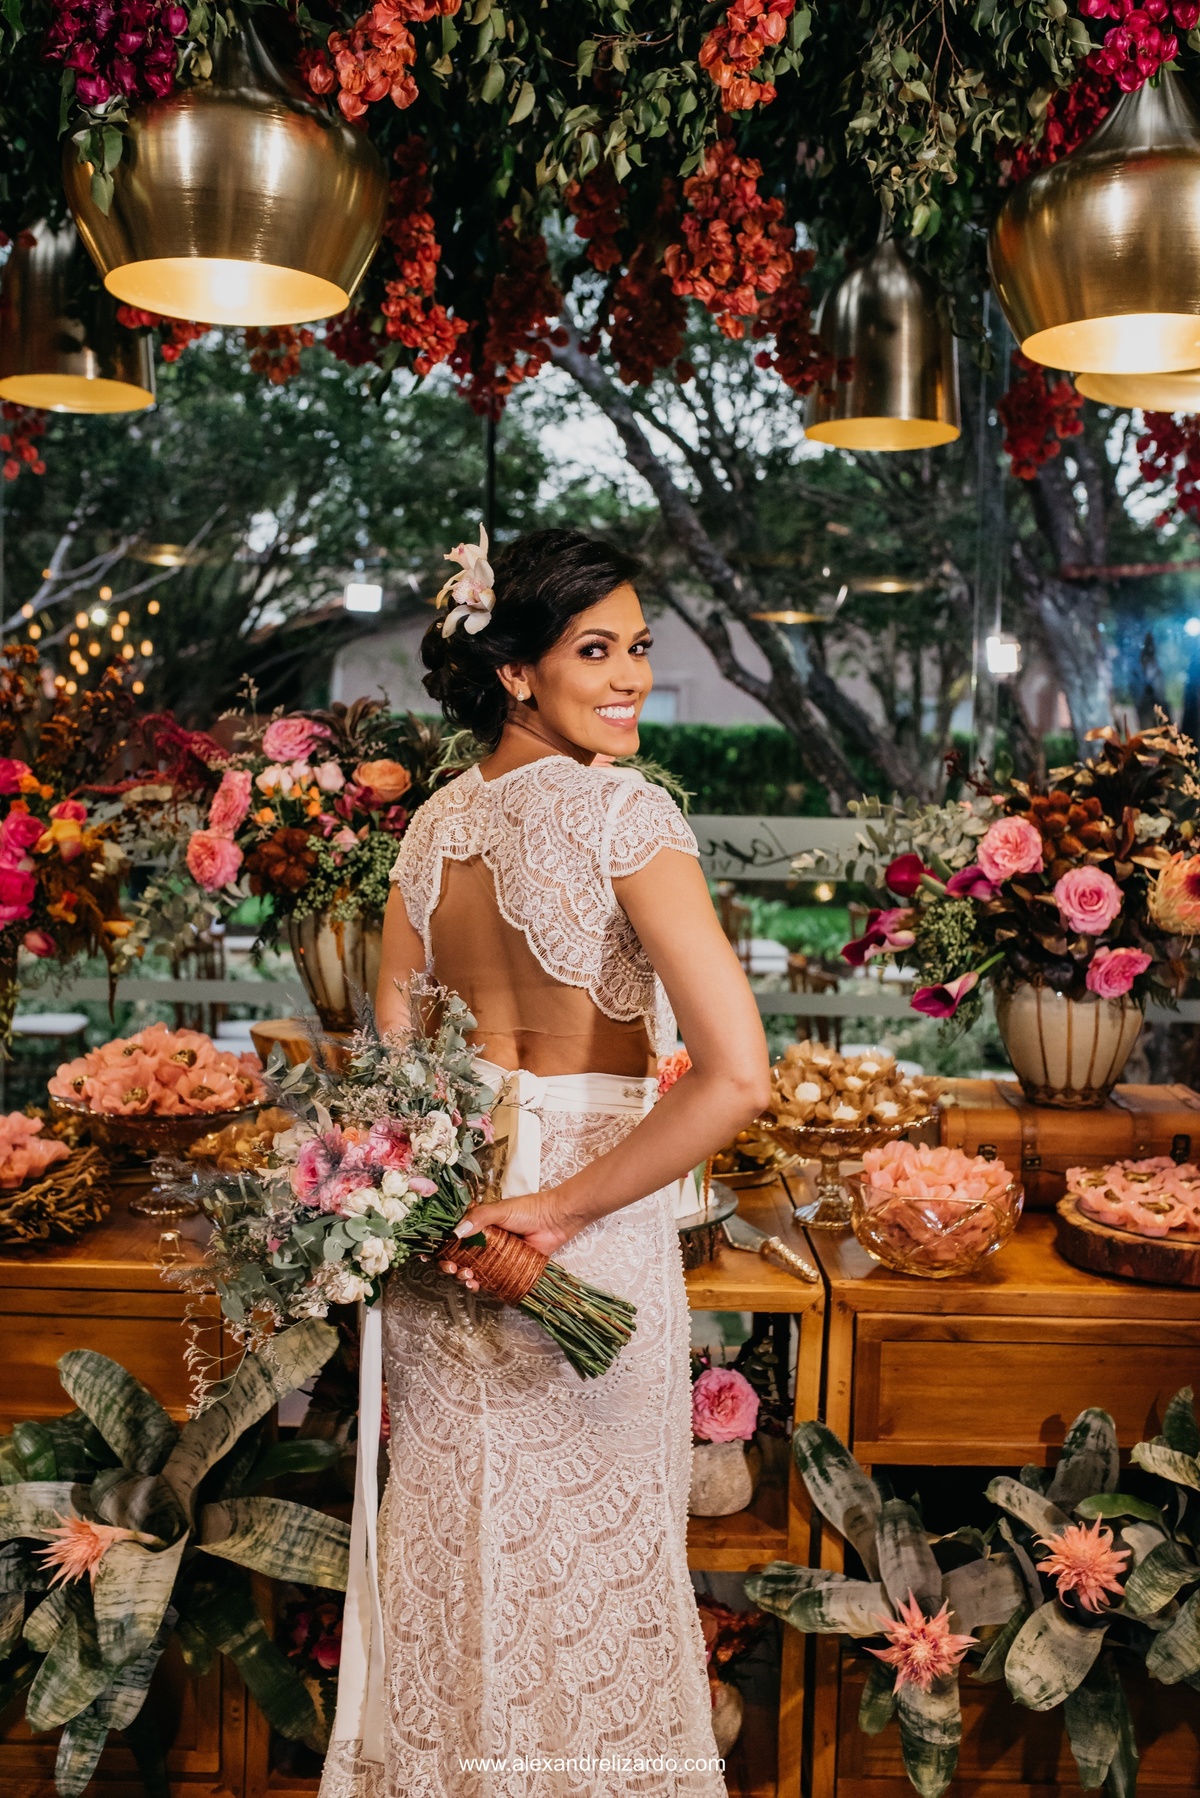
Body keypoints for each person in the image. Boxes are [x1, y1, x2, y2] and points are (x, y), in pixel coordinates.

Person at [321, 528, 770, 1798]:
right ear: (516, 671)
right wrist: (562, 1210)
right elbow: (740, 1076)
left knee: (464, 1592)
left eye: (637, 647)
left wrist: (458, 1211)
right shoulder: (629, 815)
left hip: (447, 1255)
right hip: (588, 1254)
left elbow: (395, 1088)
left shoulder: (427, 834)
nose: (628, 675)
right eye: (595, 650)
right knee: (592, 1595)